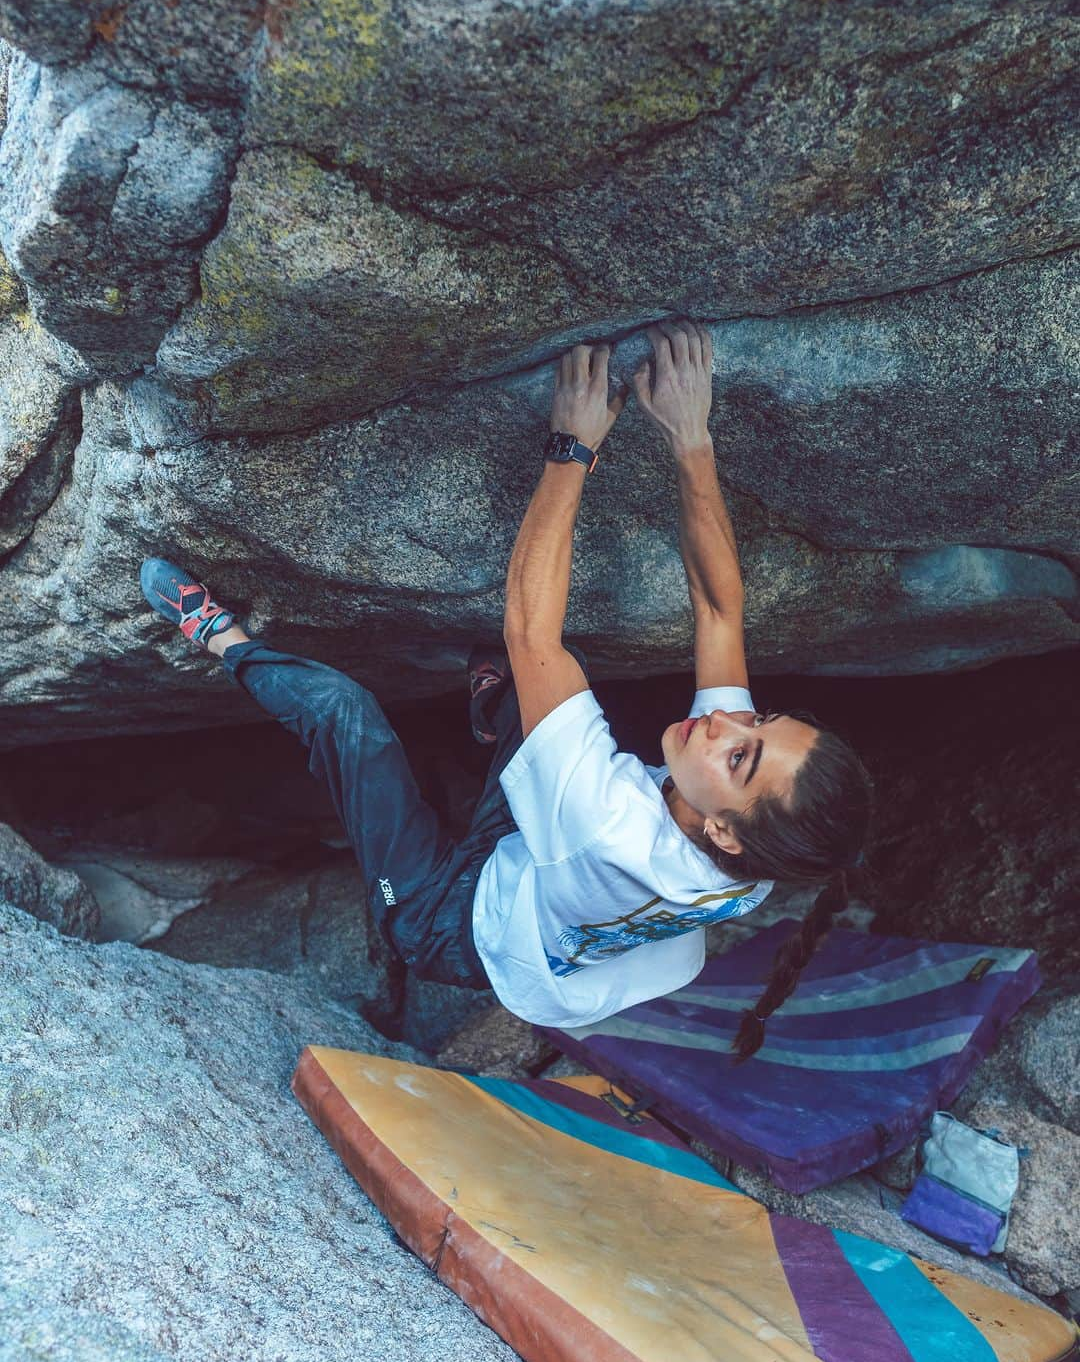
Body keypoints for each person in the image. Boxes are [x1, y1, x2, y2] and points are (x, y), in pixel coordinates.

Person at [139, 318, 872, 1058]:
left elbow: (532, 632)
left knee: (349, 713)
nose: (728, 726)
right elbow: (720, 607)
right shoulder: (759, 855)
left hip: (448, 924)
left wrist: (573, 444)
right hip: (534, 864)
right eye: (762, 721)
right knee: (549, 683)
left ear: (722, 829)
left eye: (743, 758)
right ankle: (498, 719)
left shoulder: (605, 821)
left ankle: (222, 639)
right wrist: (690, 436)